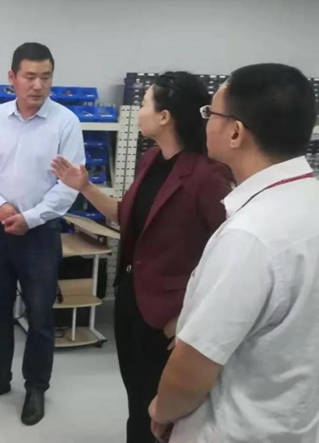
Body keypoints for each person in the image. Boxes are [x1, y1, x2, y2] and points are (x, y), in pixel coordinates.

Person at [51, 71, 232, 443]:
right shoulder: (151, 160)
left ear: (165, 116)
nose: (139, 110)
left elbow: (228, 254)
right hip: (132, 300)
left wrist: (188, 317)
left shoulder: (206, 176)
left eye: (145, 103)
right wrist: (85, 187)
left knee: (161, 409)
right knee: (137, 399)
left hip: (168, 316)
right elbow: (127, 217)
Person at [149, 64, 319, 443]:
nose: (206, 122)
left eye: (211, 113)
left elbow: (193, 368)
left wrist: (162, 409)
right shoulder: (308, 202)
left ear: (235, 132)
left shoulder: (250, 235)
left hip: (232, 428)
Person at [0, 42, 85, 426]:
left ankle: (36, 387)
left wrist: (30, 218)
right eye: (30, 77)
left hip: (40, 234)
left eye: (45, 77)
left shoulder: (66, 123)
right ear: (12, 78)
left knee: (40, 315)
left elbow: (69, 186)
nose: (38, 85)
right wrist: (1, 207)